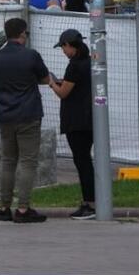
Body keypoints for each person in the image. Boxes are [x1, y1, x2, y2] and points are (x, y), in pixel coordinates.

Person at [0, 17, 51, 224]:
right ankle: (23, 209)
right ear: (22, 33)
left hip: (6, 115)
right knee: (27, 162)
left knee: (8, 161)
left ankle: (4, 207)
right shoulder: (30, 55)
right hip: (28, 114)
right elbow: (44, 78)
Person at [47, 29, 95, 220]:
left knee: (82, 162)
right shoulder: (88, 61)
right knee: (85, 161)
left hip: (77, 121)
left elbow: (63, 93)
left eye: (63, 47)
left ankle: (90, 203)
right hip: (88, 119)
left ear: (69, 45)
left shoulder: (74, 66)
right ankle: (91, 201)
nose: (63, 51)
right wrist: (62, 82)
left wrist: (52, 83)